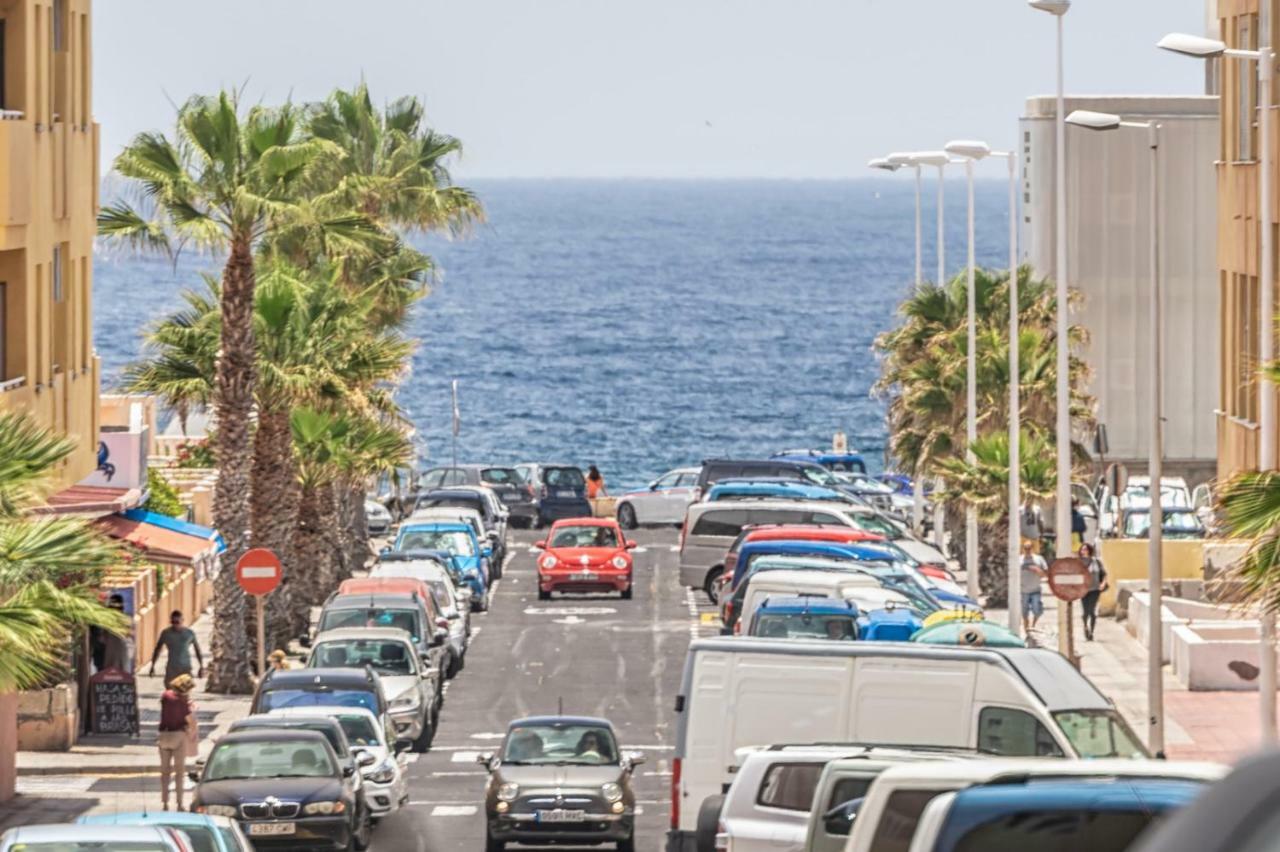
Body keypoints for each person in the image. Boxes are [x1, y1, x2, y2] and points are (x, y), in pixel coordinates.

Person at [157, 673, 197, 810]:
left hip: (163, 736)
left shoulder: (165, 696)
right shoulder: (183, 701)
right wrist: (191, 731)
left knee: (165, 772)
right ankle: (179, 803)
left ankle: (165, 803)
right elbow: (190, 720)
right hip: (178, 736)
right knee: (179, 772)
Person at [149, 611, 204, 685]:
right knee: (170, 692)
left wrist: (201, 666)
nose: (175, 625)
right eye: (173, 622)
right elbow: (157, 649)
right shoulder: (166, 633)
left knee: (185, 692)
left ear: (182, 620)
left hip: (185, 668)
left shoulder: (189, 634)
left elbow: (197, 650)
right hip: (172, 668)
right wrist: (153, 666)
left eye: (177, 622)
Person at [1078, 542, 1109, 641]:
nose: (1084, 551)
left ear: (1089, 551)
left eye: (1086, 549)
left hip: (1095, 589)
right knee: (1085, 612)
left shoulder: (1096, 562)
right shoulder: (1079, 563)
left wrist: (1103, 583)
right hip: (1083, 590)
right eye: (1083, 549)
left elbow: (1103, 574)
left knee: (1092, 611)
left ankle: (1091, 631)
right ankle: (1085, 626)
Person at [1020, 539, 1049, 636]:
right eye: (1025, 548)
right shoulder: (1019, 560)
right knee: (1024, 612)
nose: (1027, 550)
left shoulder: (1039, 559)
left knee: (1037, 610)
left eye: (1029, 548)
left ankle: (1033, 625)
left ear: (1032, 548)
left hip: (1035, 589)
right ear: (1023, 549)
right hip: (1023, 590)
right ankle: (1027, 631)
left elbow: (1045, 574)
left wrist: (1038, 570)